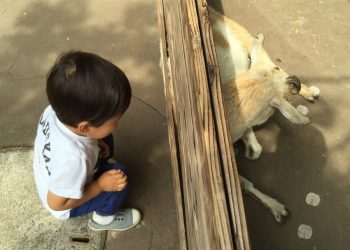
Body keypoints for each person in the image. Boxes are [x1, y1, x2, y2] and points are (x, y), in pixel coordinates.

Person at [33, 51, 141, 231]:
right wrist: (99, 186)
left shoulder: (54, 111)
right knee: (120, 177)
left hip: (58, 174)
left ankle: (99, 164)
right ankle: (104, 219)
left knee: (104, 136)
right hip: (65, 203)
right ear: (83, 127)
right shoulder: (73, 159)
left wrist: (96, 143)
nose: (118, 124)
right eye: (115, 121)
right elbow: (56, 204)